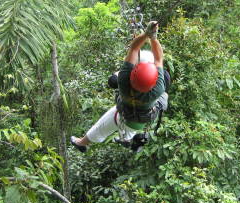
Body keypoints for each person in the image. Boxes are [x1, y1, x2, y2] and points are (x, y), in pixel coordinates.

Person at [70, 21, 168, 153]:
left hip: (123, 115)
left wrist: (146, 34)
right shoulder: (158, 89)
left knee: (102, 126)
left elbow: (134, 48)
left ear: (133, 74)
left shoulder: (123, 80)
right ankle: (127, 139)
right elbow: (159, 59)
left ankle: (83, 143)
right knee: (129, 128)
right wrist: (154, 38)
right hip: (142, 119)